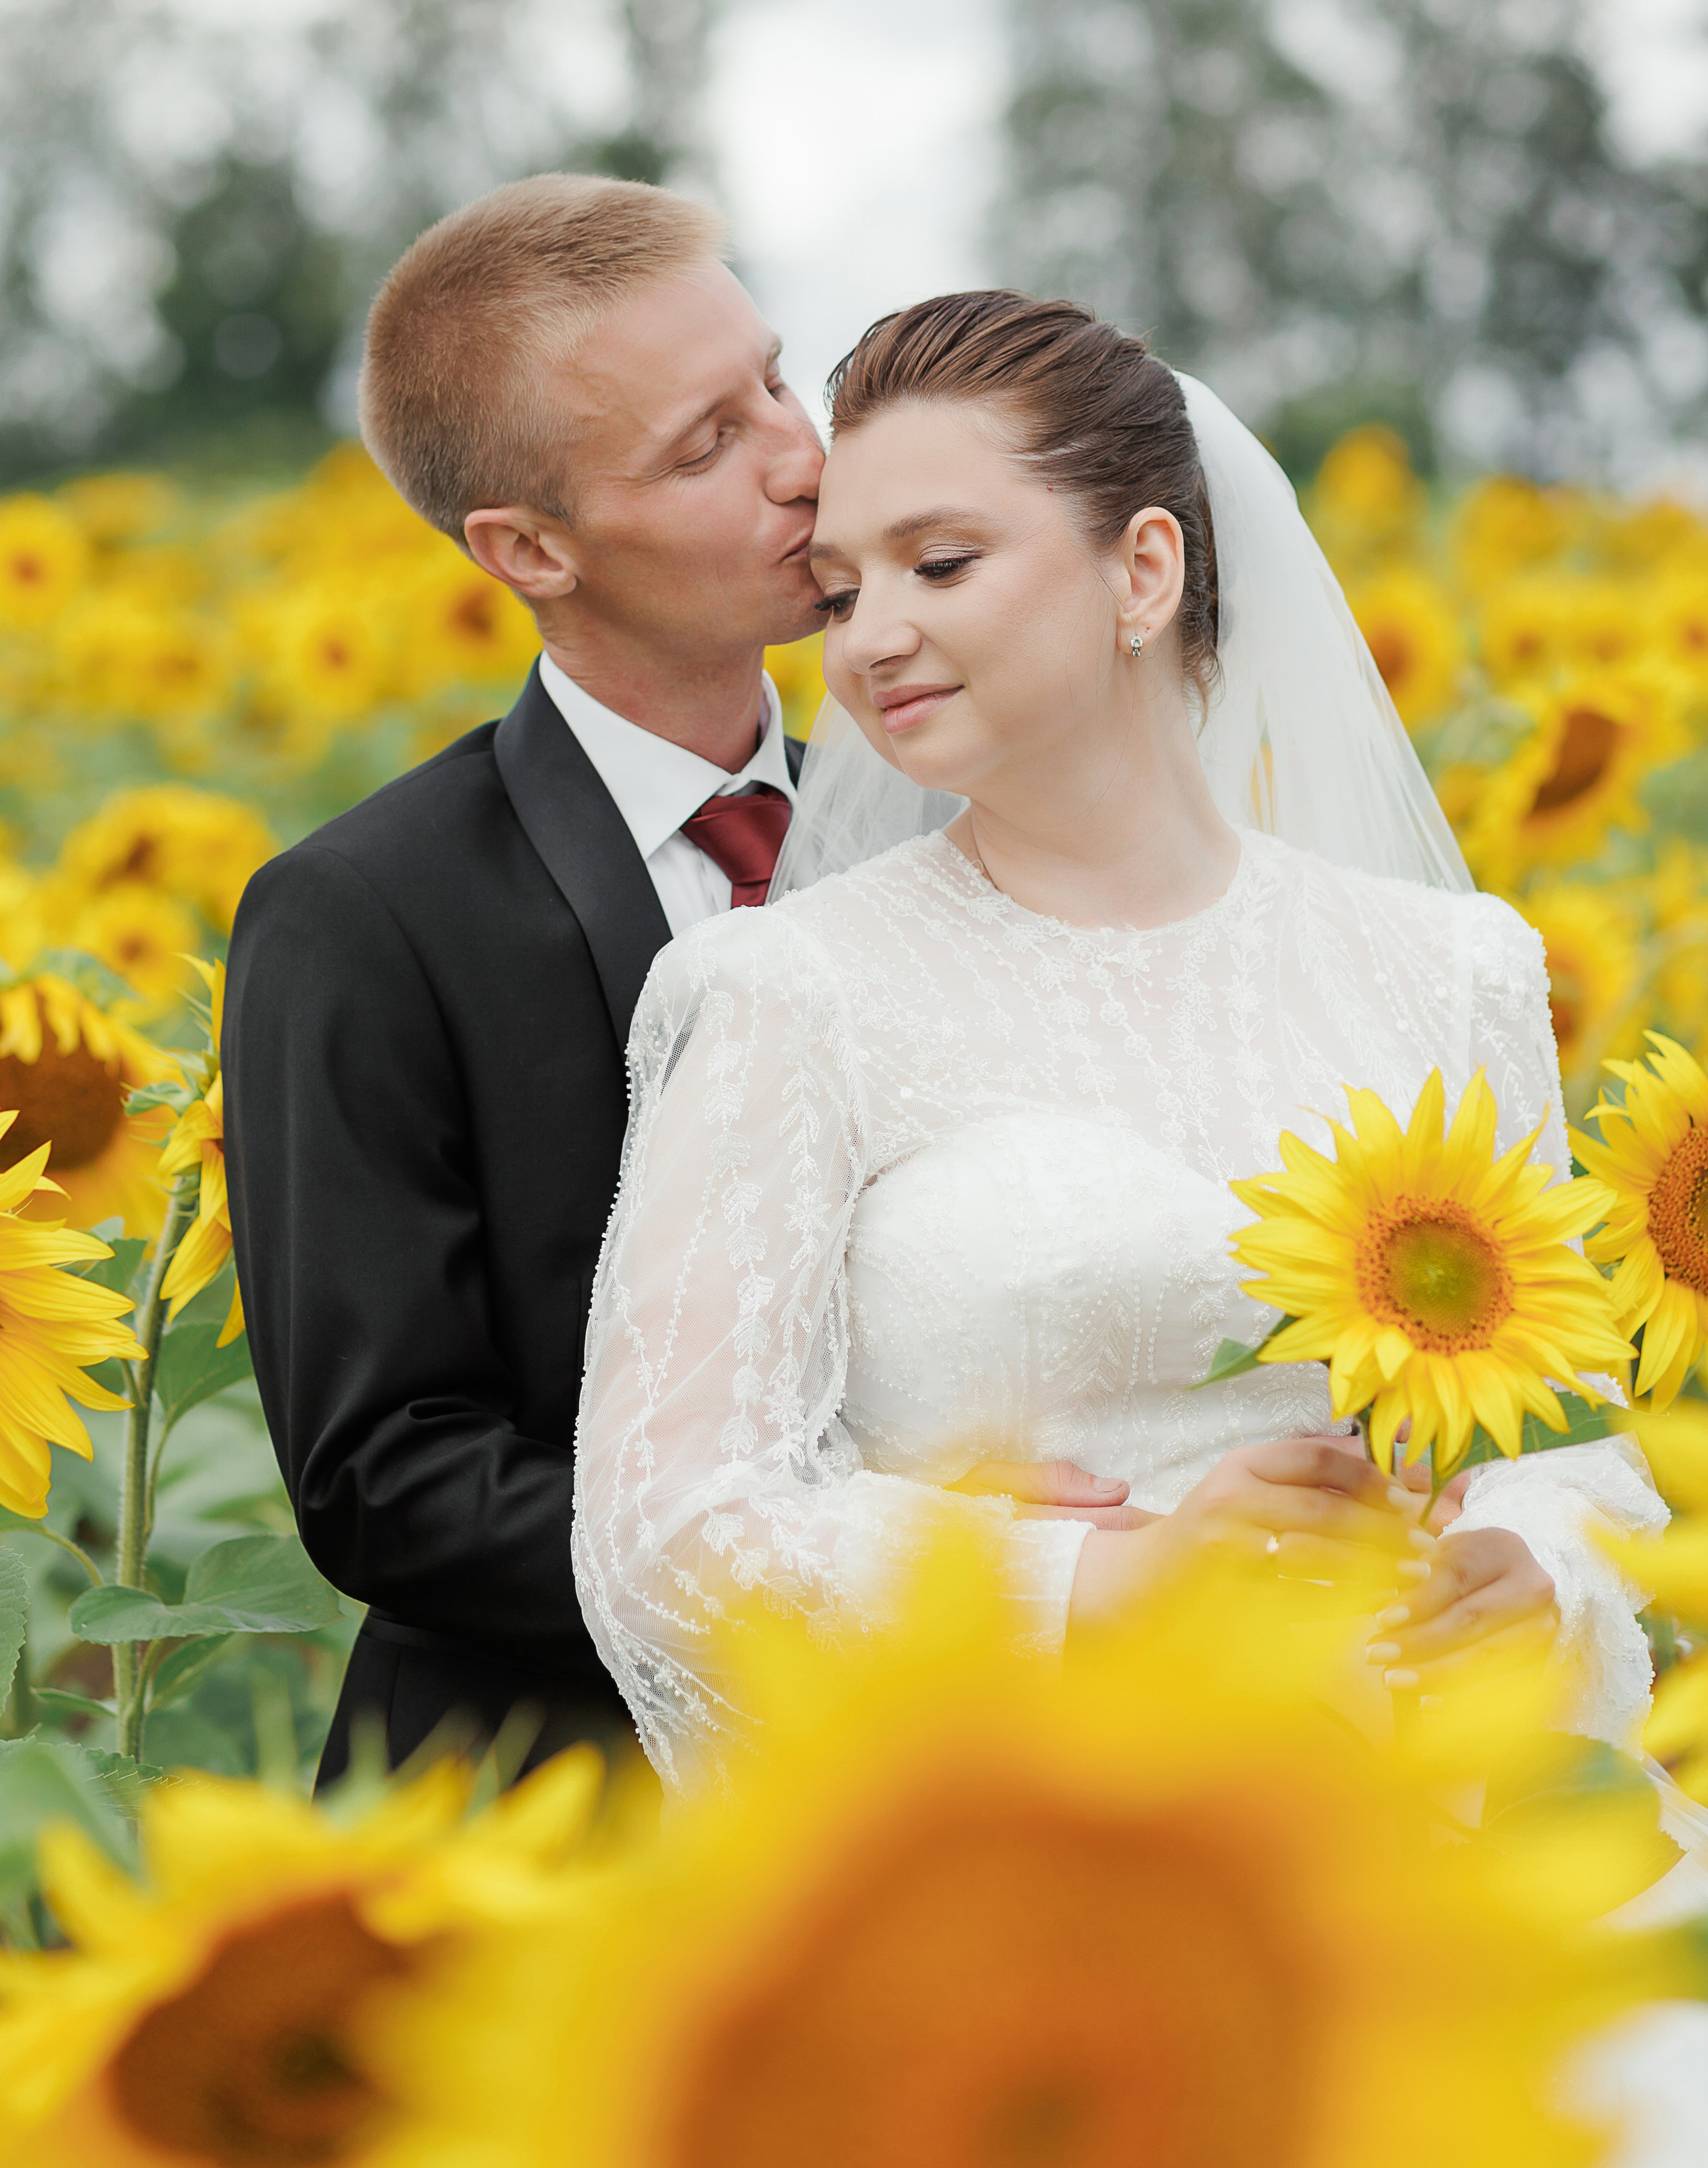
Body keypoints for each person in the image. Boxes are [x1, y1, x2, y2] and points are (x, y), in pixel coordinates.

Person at [572, 288, 1670, 1792]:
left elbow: (1568, 1436)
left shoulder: (1452, 968)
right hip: (1041, 1830)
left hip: (1428, 1816)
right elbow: (667, 1527)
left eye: (938, 563)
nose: (872, 636)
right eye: (836, 593)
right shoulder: (787, 991)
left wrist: (1530, 1570)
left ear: (1141, 569)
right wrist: (1086, 1585)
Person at [225, 184, 1118, 1784]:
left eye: (776, 382)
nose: (799, 458)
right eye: (705, 446)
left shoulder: (971, 823)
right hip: (571, 1813)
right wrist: (882, 1570)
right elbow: (388, 1480)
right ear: (527, 548)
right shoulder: (362, 916)